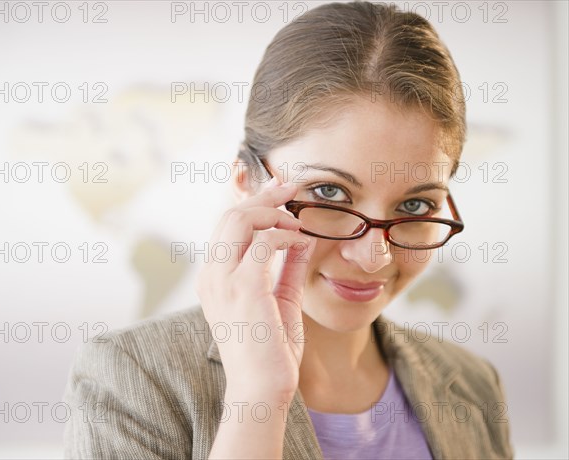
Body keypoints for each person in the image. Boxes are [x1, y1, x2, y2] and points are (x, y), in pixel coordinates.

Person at [63, 1, 514, 458]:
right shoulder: (132, 377)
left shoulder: (474, 387)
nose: (373, 256)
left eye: (416, 204)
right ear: (246, 183)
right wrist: (257, 396)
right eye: (330, 194)